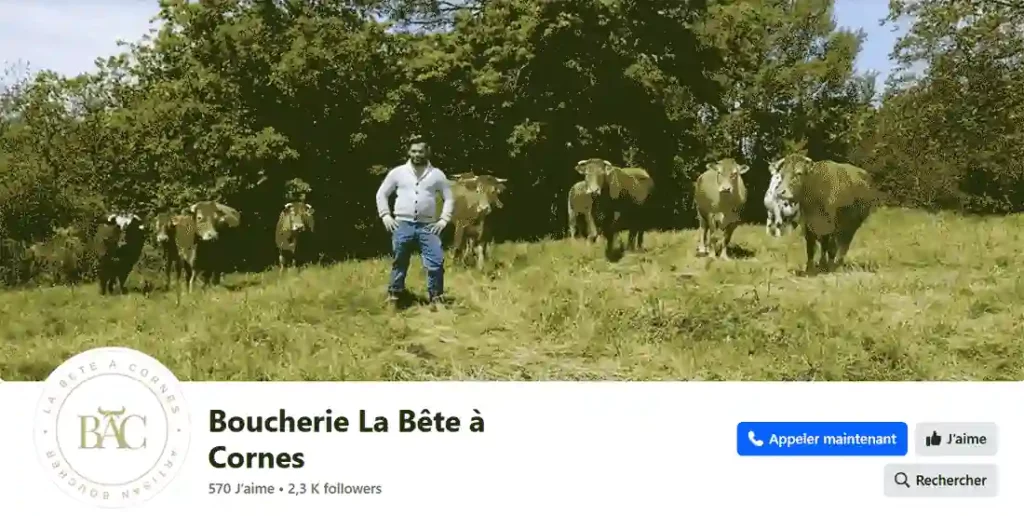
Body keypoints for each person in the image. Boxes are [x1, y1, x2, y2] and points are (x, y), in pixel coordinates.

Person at [374, 137, 454, 306]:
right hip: (402, 224)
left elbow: (449, 198)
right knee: (399, 261)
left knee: (436, 262)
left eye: (420, 151)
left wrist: (443, 220)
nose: (417, 155)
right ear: (409, 152)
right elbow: (382, 194)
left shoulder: (437, 175)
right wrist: (385, 215)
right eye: (414, 151)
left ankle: (436, 298)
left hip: (429, 227)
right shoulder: (398, 173)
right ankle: (395, 296)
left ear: (427, 152)